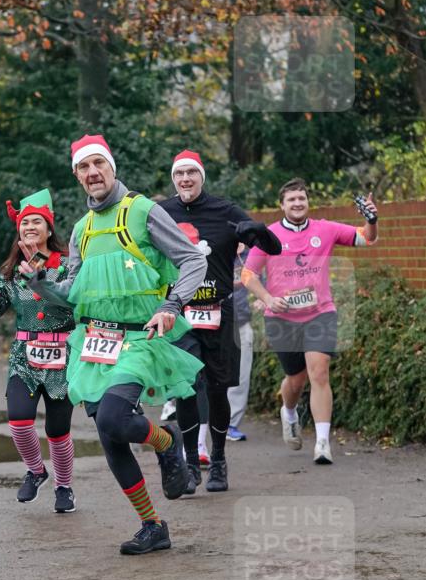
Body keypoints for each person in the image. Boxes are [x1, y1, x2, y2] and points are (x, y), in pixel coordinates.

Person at [21, 134, 206, 556]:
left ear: (112, 167)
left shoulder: (142, 211)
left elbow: (193, 259)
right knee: (109, 433)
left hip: (139, 336)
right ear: (77, 177)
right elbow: (71, 291)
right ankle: (153, 525)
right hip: (94, 342)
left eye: (98, 165)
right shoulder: (81, 229)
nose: (92, 173)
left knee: (115, 417)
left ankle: (167, 440)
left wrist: (172, 304)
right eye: (83, 168)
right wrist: (38, 280)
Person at [161, 150, 282, 493]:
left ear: (202, 177)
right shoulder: (162, 214)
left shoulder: (225, 211)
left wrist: (255, 230)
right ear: (173, 178)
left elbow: (273, 248)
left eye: (191, 173)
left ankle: (218, 460)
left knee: (216, 389)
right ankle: (189, 463)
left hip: (218, 310)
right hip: (179, 314)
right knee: (185, 388)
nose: (185, 179)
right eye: (179, 173)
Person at [242, 178, 379, 464]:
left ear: (308, 202)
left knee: (319, 373)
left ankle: (322, 443)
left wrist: (372, 220)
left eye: (301, 198)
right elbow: (247, 276)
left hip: (320, 313)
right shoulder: (268, 235)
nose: (297, 203)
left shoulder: (325, 229)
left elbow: (366, 238)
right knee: (296, 378)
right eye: (291, 199)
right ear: (282, 205)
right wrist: (268, 299)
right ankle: (289, 412)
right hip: (282, 318)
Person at [0, 189, 77, 513]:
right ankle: (36, 470)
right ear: (18, 230)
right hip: (24, 356)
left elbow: (73, 301)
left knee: (58, 431)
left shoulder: (69, 266)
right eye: (24, 222)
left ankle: (64, 487)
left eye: (36, 222)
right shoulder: (11, 272)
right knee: (18, 421)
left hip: (63, 356)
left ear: (49, 229)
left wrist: (38, 267)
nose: (29, 226)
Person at [226, 244, 253, 441]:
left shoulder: (252, 255)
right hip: (214, 322)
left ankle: (231, 424)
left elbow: (265, 280)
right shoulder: (213, 248)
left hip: (242, 321)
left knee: (241, 376)